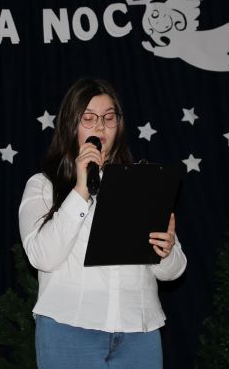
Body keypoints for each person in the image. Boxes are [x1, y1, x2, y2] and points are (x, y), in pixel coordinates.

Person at [18, 78, 187, 369]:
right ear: (70, 125)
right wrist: (81, 190)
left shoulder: (141, 183)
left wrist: (167, 251)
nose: (100, 127)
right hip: (69, 328)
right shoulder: (43, 186)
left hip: (139, 332)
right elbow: (42, 257)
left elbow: (174, 271)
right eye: (89, 118)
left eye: (109, 118)